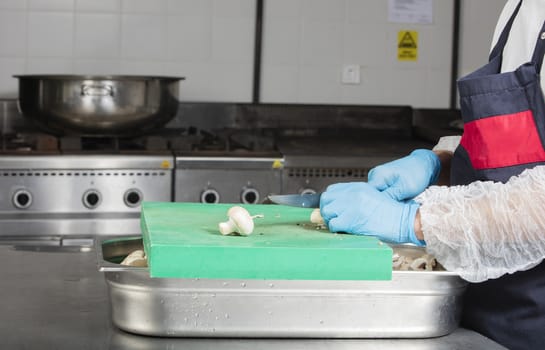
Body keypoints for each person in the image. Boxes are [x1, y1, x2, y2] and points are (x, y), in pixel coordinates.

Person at [318, 1, 545, 349]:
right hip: (481, 320)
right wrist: (439, 163)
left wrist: (414, 221)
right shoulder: (518, 8)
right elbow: (515, 150)